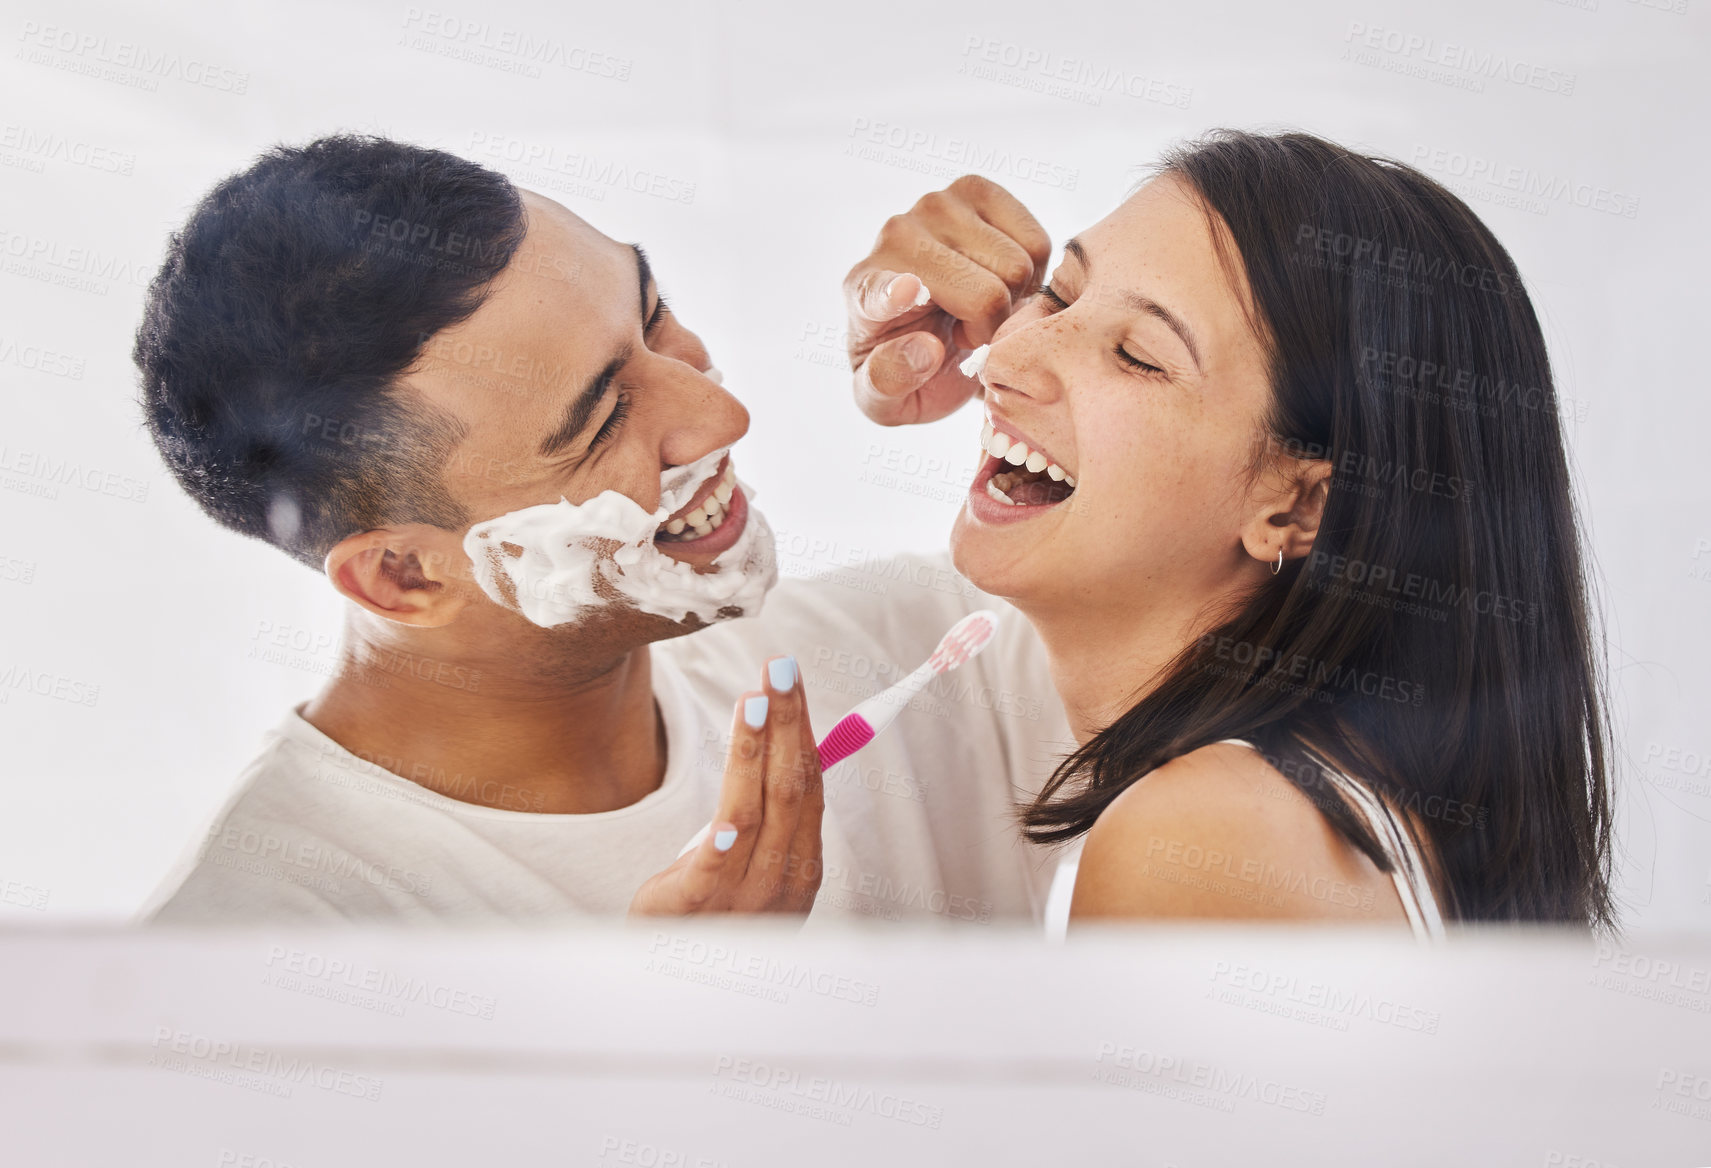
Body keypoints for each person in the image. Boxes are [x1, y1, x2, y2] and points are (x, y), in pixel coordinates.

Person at [137, 135, 1068, 925]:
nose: (721, 415)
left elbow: (1199, 546)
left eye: (653, 319)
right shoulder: (245, 960)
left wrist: (1044, 347)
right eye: (599, 418)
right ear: (402, 578)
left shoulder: (916, 657)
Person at [843, 130, 1615, 935]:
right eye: (1060, 297)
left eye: (1137, 355)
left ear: (1299, 508)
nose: (1002, 359)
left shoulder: (1196, 836)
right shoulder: (1334, 804)